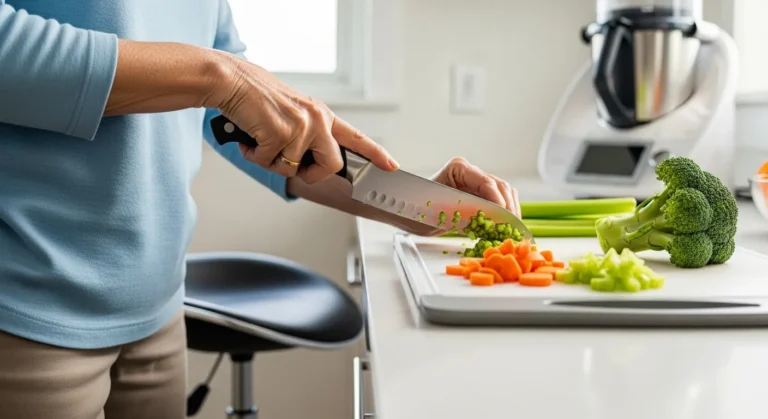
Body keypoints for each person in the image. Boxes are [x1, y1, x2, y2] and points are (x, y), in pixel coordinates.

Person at [0, 1, 521, 418]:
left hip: (158, 312)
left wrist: (417, 204)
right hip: (26, 317)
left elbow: (248, 126)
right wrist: (215, 75)